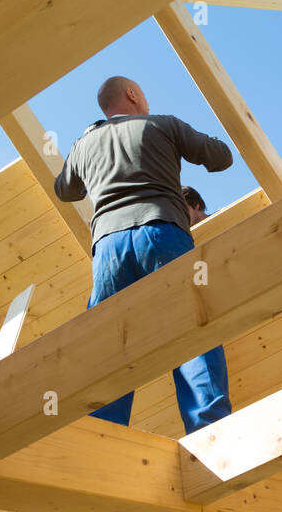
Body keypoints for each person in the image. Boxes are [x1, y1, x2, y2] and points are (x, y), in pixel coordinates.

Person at [54, 76, 233, 435]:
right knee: (189, 326)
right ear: (133, 94)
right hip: (162, 231)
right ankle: (211, 429)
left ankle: (103, 436)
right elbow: (221, 158)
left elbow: (65, 189)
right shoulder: (162, 124)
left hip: (108, 249)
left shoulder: (85, 143)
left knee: (110, 343)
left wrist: (85, 142)